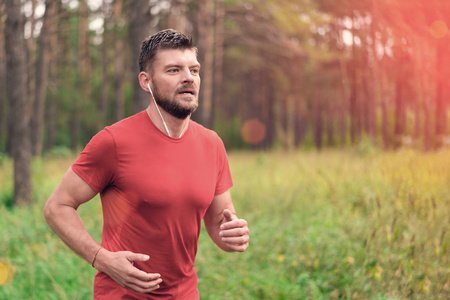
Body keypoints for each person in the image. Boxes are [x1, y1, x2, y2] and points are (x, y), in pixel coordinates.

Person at [44, 29, 249, 299]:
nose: (189, 77)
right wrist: (101, 258)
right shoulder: (113, 142)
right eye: (174, 70)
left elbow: (218, 224)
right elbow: (57, 206)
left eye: (194, 70)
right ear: (146, 81)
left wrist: (233, 236)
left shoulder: (212, 144)